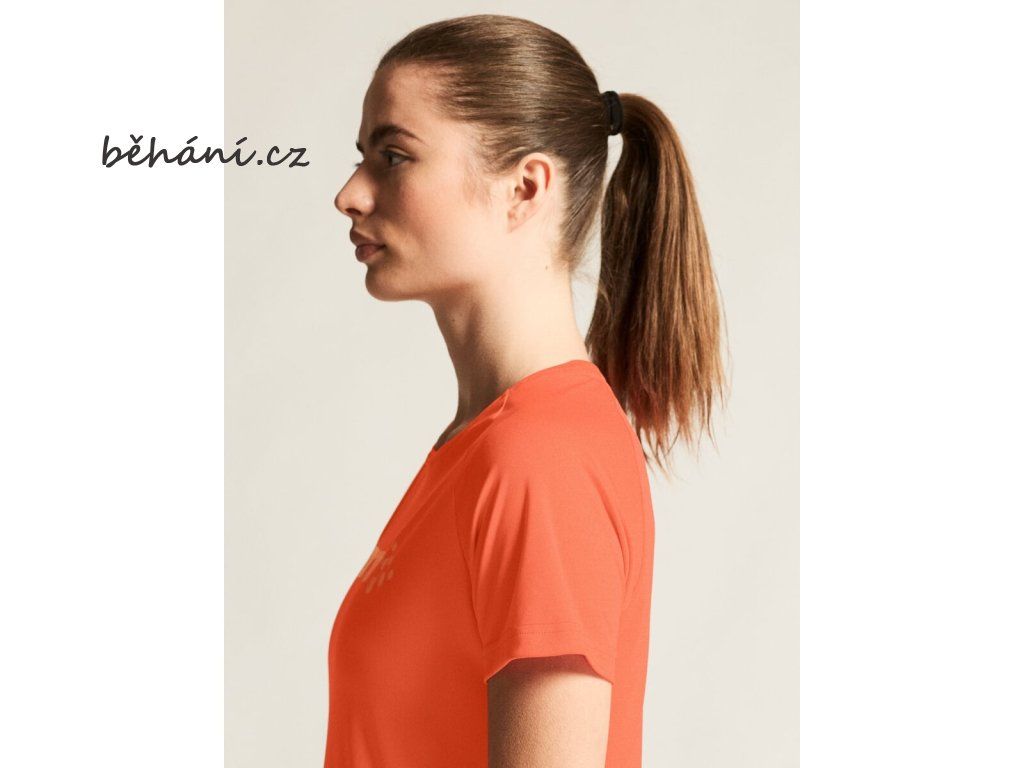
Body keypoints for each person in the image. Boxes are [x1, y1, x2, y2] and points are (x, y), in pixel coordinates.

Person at [327, 13, 728, 768]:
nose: (350, 194)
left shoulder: (537, 457)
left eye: (394, 156)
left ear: (524, 187)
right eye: (363, 156)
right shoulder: (489, 443)